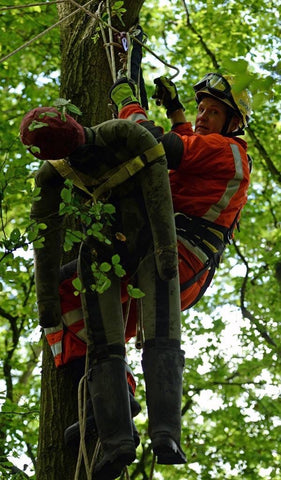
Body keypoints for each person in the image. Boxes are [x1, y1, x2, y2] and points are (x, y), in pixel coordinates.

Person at [20, 106, 186, 480]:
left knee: (161, 333)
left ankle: (166, 432)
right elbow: (45, 239)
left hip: (146, 240)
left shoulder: (125, 136)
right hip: (100, 251)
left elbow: (159, 189)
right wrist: (47, 300)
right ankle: (116, 441)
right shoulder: (53, 175)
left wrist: (164, 250)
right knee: (104, 346)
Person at [109, 72, 251, 311]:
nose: (202, 117)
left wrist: (127, 104)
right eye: (201, 109)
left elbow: (154, 145)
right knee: (95, 331)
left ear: (233, 124)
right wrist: (175, 110)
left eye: (213, 112)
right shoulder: (224, 154)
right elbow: (190, 148)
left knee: (70, 292)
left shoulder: (227, 150)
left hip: (172, 256)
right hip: (183, 270)